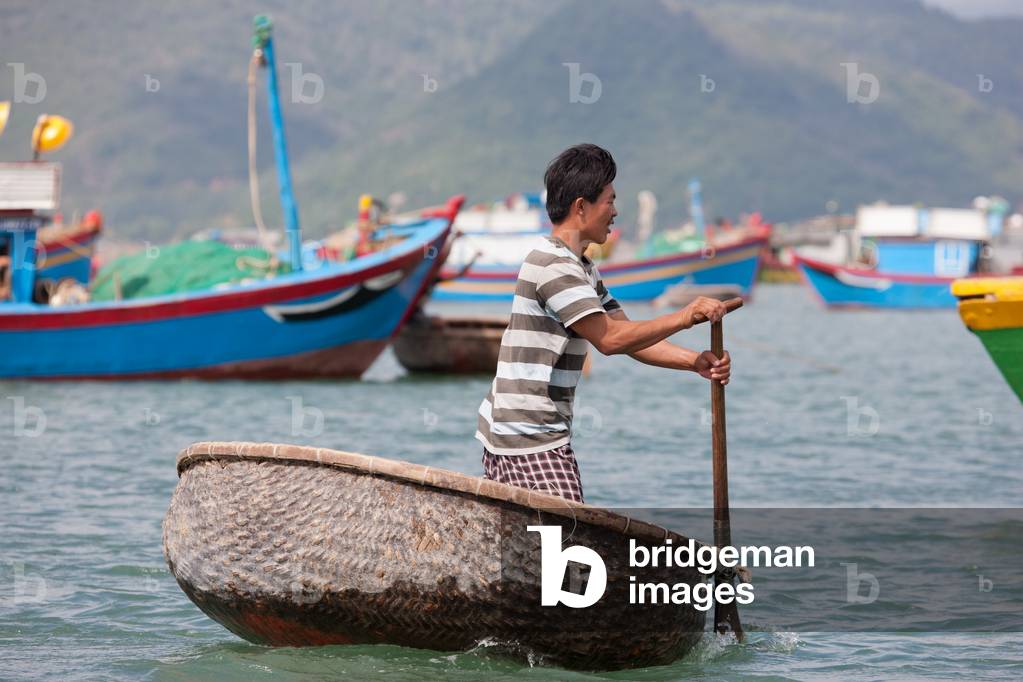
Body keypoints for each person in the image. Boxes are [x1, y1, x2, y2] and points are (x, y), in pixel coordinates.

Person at [475, 144, 731, 503]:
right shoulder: (553, 266)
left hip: (525, 430)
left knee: (544, 548)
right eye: (609, 201)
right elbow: (610, 340)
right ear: (582, 207)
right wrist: (685, 316)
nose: (615, 212)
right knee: (572, 539)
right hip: (527, 435)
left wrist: (694, 362)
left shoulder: (582, 267)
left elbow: (630, 336)